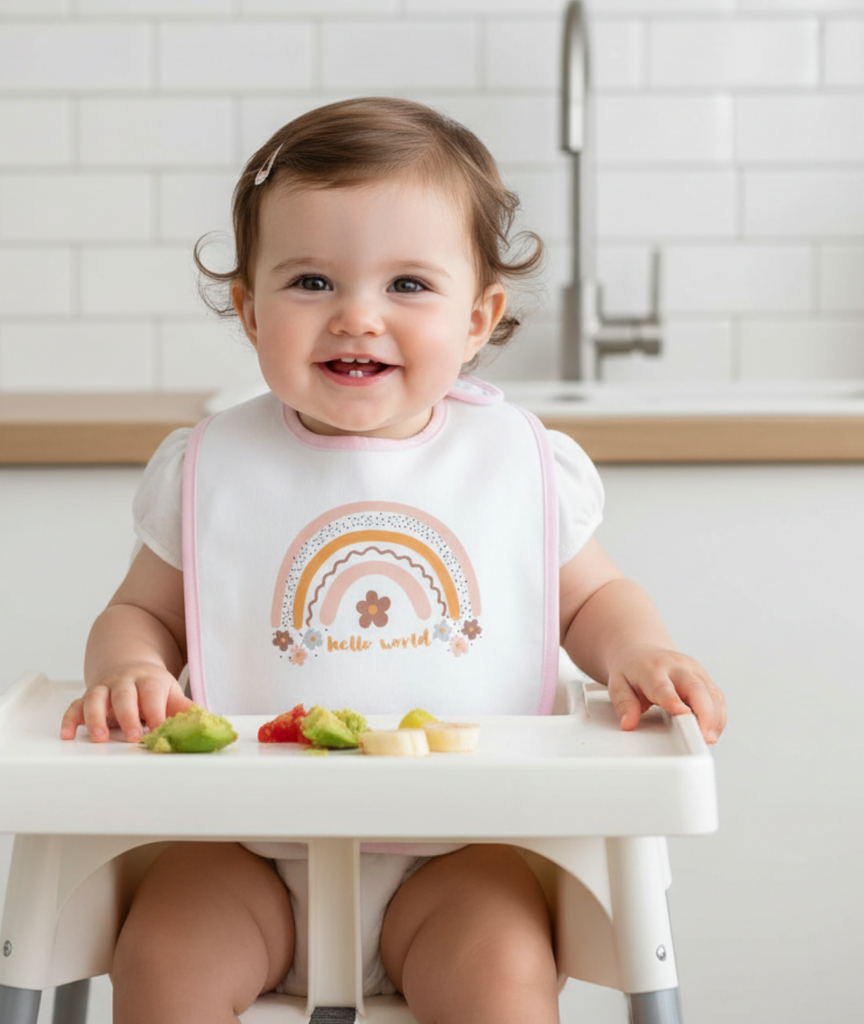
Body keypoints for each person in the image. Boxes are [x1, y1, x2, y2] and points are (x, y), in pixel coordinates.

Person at [61, 97, 727, 1024]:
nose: (358, 317)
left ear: (480, 317)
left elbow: (591, 599)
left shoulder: (521, 465)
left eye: (408, 285)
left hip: (459, 852)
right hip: (251, 849)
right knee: (161, 953)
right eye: (311, 283)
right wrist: (129, 667)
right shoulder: (208, 467)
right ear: (250, 313)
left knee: (502, 973)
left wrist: (638, 654)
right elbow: (143, 614)